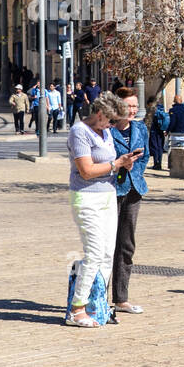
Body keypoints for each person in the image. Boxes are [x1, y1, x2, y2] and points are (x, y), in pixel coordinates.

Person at [67, 94, 139, 328]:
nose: (111, 126)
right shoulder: (80, 131)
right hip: (86, 197)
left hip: (108, 194)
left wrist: (124, 162)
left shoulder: (104, 132)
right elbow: (86, 170)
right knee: (95, 253)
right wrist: (114, 164)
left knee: (108, 254)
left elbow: (109, 163)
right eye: (109, 121)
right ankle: (76, 309)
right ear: (99, 114)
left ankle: (96, 303)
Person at [110, 87, 149, 315]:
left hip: (134, 189)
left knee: (126, 245)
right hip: (111, 190)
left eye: (135, 105)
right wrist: (119, 165)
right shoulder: (107, 130)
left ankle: (121, 298)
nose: (133, 110)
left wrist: (135, 169)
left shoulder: (140, 128)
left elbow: (145, 156)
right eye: (128, 105)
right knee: (106, 246)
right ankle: (98, 297)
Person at [147, 95, 168, 170]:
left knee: (155, 147)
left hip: (154, 130)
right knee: (160, 147)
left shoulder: (153, 110)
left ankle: (156, 163)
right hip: (161, 130)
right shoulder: (161, 108)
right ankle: (160, 162)